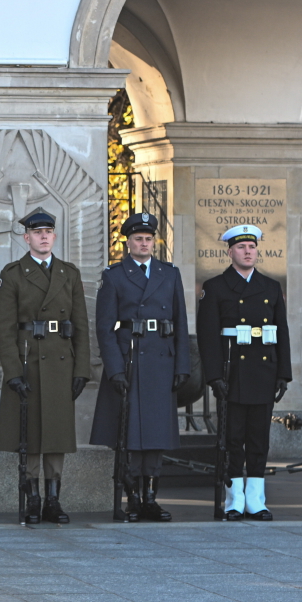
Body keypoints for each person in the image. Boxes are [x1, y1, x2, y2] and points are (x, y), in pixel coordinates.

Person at [91, 212, 190, 522]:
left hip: (162, 359)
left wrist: (182, 365)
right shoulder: (115, 275)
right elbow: (104, 327)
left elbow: (181, 321)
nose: (144, 243)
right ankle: (132, 496)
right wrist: (115, 369)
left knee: (157, 435)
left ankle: (151, 497)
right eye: (138, 239)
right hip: (130, 358)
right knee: (131, 435)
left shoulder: (169, 274)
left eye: (148, 239)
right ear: (128, 242)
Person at [0, 208, 90, 525]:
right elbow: (4, 329)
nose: (44, 236)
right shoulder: (13, 274)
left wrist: (81, 370)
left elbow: (81, 326)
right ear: (27, 238)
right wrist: (13, 373)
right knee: (32, 433)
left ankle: (53, 499)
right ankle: (33, 497)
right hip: (28, 360)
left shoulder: (69, 273)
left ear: (55, 236)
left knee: (57, 434)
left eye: (48, 231)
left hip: (61, 363)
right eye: (37, 232)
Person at [199, 225, 293, 521]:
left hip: (263, 370)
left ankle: (256, 499)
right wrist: (214, 376)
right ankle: (234, 500)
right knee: (232, 438)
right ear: (229, 252)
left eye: (252, 247)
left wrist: (283, 374)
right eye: (241, 247)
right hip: (233, 372)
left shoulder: (270, 286)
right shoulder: (215, 287)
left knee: (258, 439)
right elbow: (207, 336)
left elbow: (282, 332)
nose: (248, 251)